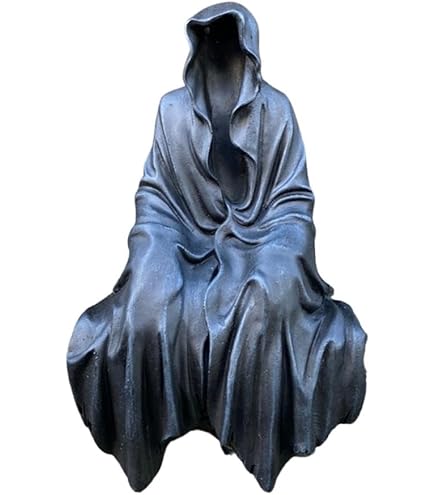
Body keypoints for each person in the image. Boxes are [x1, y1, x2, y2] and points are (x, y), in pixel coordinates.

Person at [67, 3, 367, 492]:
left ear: (250, 48)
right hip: (183, 238)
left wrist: (276, 255)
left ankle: (254, 440)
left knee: (266, 298)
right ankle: (149, 436)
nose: (220, 49)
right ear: (195, 48)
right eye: (208, 39)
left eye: (229, 38)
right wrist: (153, 252)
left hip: (263, 237)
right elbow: (156, 197)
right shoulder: (171, 111)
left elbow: (293, 203)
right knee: (145, 302)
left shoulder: (277, 110)